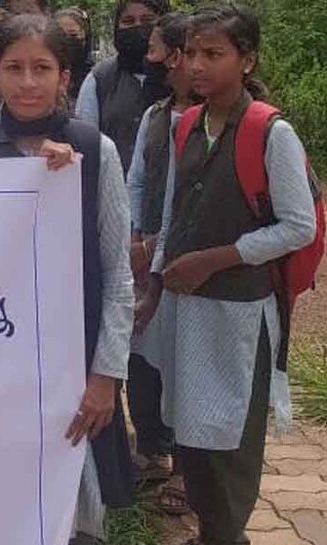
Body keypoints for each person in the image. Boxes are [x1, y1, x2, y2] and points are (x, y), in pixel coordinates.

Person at [0, 14, 135, 545]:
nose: (28, 82)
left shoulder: (92, 151)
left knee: (70, 514)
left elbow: (117, 275)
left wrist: (105, 376)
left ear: (64, 77)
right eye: (14, 68)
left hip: (70, 375)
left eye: (42, 69)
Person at [139, 4, 317, 545]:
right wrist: (156, 286)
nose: (196, 65)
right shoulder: (187, 124)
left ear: (248, 59)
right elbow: (170, 212)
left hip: (238, 312)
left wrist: (218, 259)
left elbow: (297, 226)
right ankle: (206, 544)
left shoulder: (270, 131)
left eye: (213, 54)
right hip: (186, 308)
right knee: (191, 428)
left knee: (232, 440)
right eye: (190, 53)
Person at [123, 11, 196, 517]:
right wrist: (133, 238)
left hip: (191, 262)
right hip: (147, 251)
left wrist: (161, 257)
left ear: (175, 57)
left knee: (185, 363)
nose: (145, 58)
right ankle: (152, 449)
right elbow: (138, 183)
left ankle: (188, 471)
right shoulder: (155, 117)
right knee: (139, 352)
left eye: (152, 49)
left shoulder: (218, 123)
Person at [75, 0, 171, 174]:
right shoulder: (99, 79)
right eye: (128, 21)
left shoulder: (180, 75)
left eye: (147, 20)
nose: (138, 27)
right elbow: (84, 145)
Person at [53, 7, 94, 107]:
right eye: (61, 35)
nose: (67, 40)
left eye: (73, 35)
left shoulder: (96, 77)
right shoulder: (45, 74)